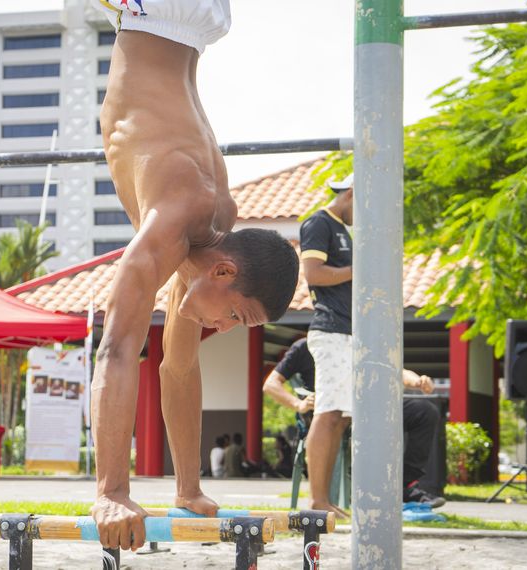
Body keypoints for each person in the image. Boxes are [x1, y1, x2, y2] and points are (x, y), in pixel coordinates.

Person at [89, 1, 300, 551]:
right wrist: (112, 491)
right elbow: (115, 350)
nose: (224, 327)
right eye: (236, 315)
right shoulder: (172, 225)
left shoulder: (210, 233)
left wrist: (189, 489)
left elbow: (178, 368)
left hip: (183, 21)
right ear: (225, 272)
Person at [263, 337, 446, 508]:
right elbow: (271, 384)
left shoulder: (358, 341)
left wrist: (417, 381)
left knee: (424, 412)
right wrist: (299, 404)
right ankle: (359, 494)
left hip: (367, 408)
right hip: (329, 416)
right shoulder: (304, 346)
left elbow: (394, 368)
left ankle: (402, 485)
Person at [297, 173, 355, 518]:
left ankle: (325, 499)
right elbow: (314, 274)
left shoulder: (342, 229)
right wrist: (358, 267)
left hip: (347, 332)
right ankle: (317, 501)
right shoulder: (318, 223)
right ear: (351, 194)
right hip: (329, 329)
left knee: (340, 418)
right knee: (328, 412)